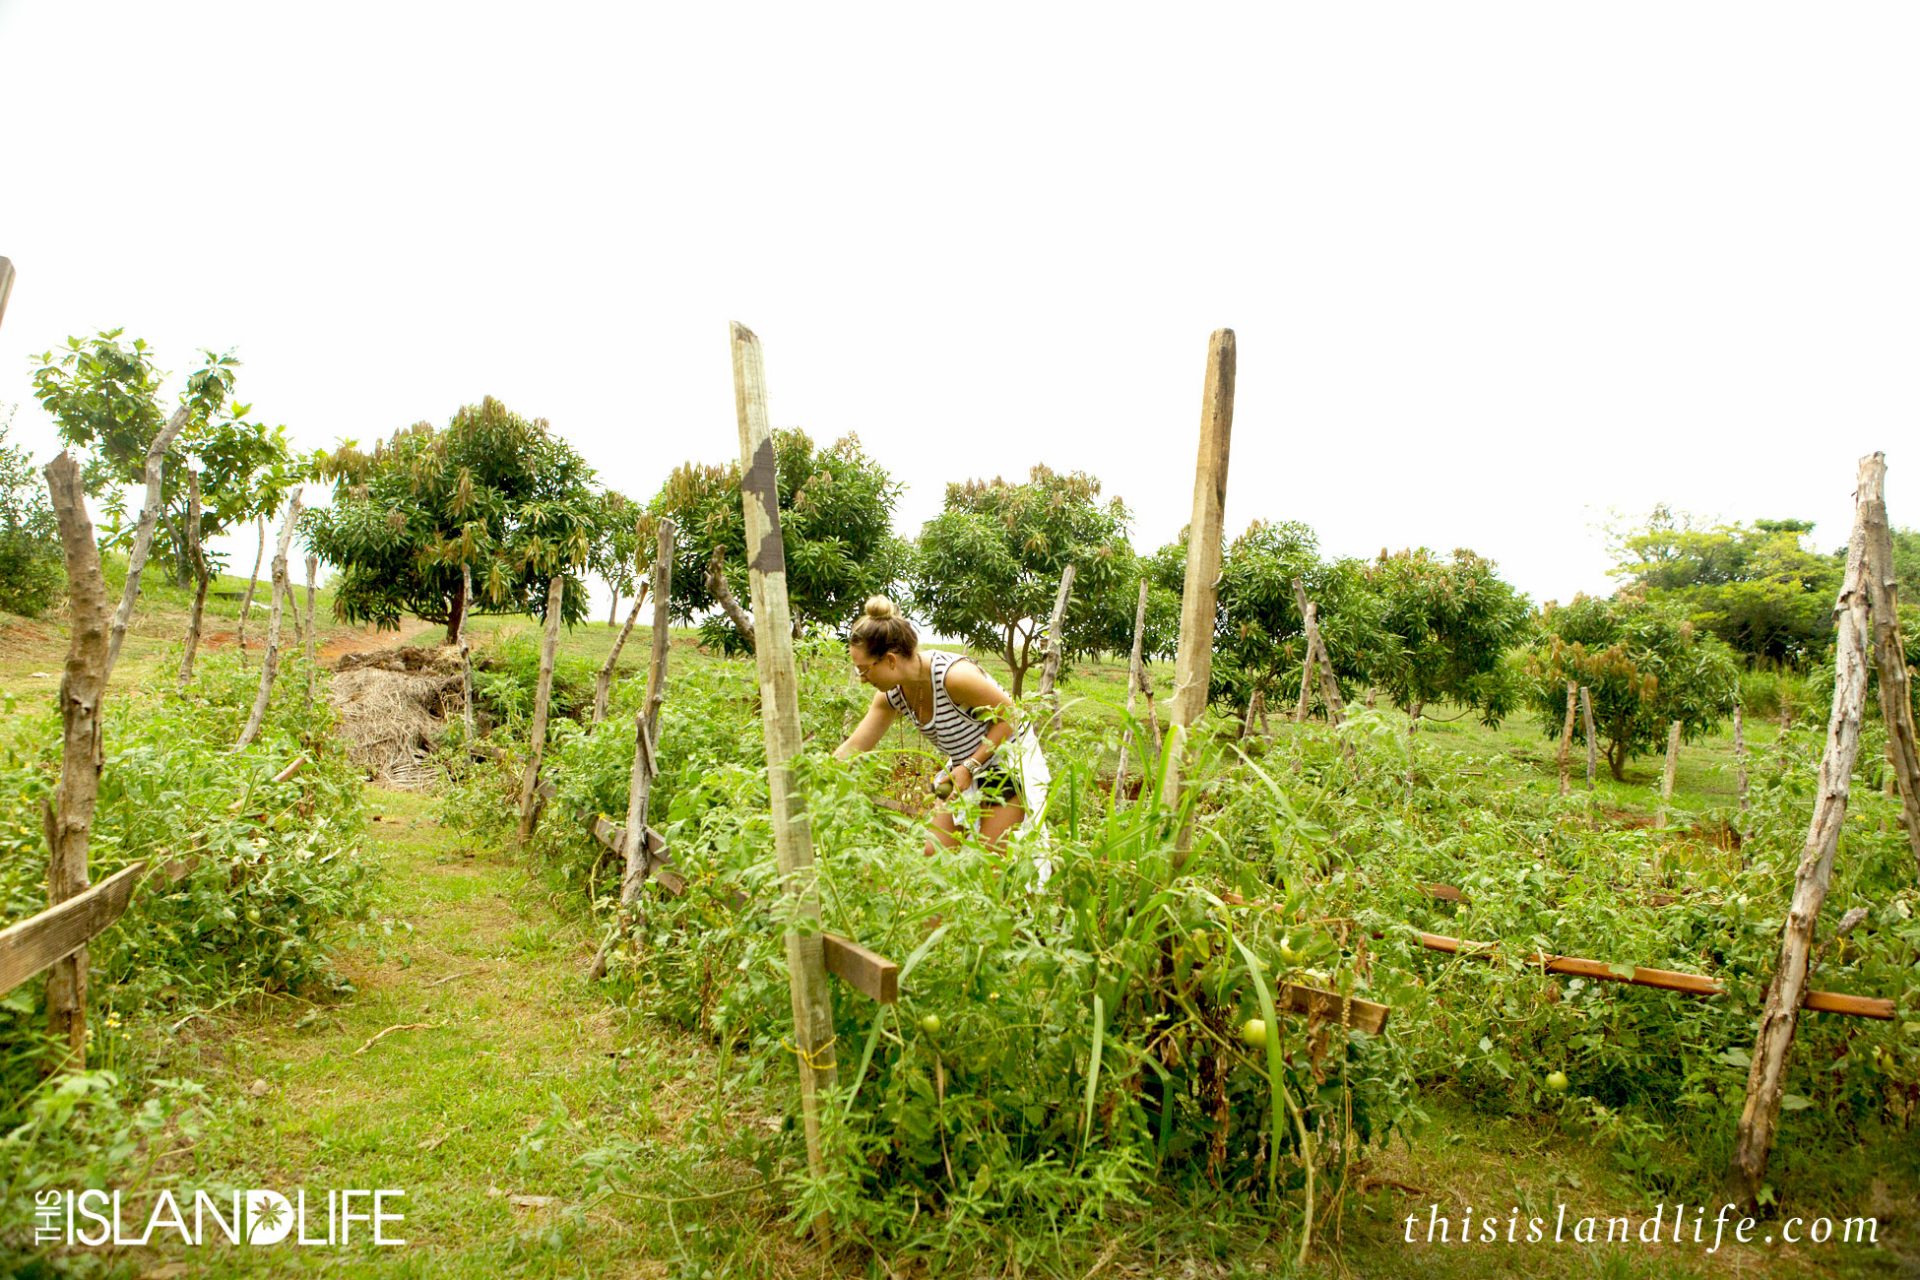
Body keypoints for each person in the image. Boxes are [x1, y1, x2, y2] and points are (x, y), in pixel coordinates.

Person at [835, 596, 1044, 852]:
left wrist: (970, 765)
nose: (862, 679)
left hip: (1006, 759)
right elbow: (856, 746)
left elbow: (1011, 716)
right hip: (961, 766)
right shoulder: (891, 696)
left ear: (890, 660)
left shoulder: (954, 678)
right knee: (933, 852)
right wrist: (817, 772)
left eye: (864, 669)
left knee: (991, 861)